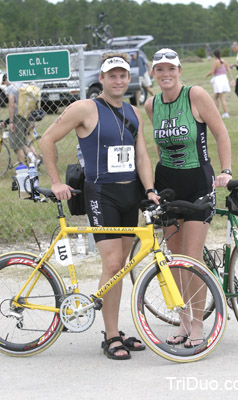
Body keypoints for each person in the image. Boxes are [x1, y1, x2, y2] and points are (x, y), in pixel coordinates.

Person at [40, 52, 159, 360]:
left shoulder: (133, 112)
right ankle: (109, 337)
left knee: (119, 267)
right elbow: (47, 139)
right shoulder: (85, 108)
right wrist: (55, 182)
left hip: (130, 194)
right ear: (102, 79)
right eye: (112, 75)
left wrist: (149, 189)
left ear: (127, 79)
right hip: (101, 194)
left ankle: (115, 329)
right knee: (113, 264)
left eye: (123, 75)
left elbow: (143, 155)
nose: (118, 80)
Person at [145, 48, 232, 347]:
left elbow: (221, 133)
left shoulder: (196, 95)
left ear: (180, 70)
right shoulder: (151, 104)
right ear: (153, 73)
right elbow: (158, 148)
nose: (165, 74)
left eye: (171, 68)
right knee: (174, 259)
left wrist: (226, 171)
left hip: (197, 182)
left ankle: (198, 323)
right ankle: (182, 321)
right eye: (160, 69)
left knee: (192, 258)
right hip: (167, 184)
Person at [1, 74, 39, 166]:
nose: (4, 84)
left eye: (4, 81)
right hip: (27, 116)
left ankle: (23, 167)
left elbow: (11, 105)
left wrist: (11, 121)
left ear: (6, 79)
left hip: (17, 118)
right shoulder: (22, 85)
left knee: (16, 145)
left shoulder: (11, 88)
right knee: (23, 142)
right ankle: (33, 159)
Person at [205, 48, 233, 118]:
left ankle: (225, 113)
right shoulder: (225, 61)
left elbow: (212, 72)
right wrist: (231, 79)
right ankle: (216, 113)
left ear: (214, 55)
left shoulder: (216, 62)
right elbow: (229, 70)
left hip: (218, 80)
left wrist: (206, 75)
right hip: (224, 79)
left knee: (221, 97)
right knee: (216, 97)